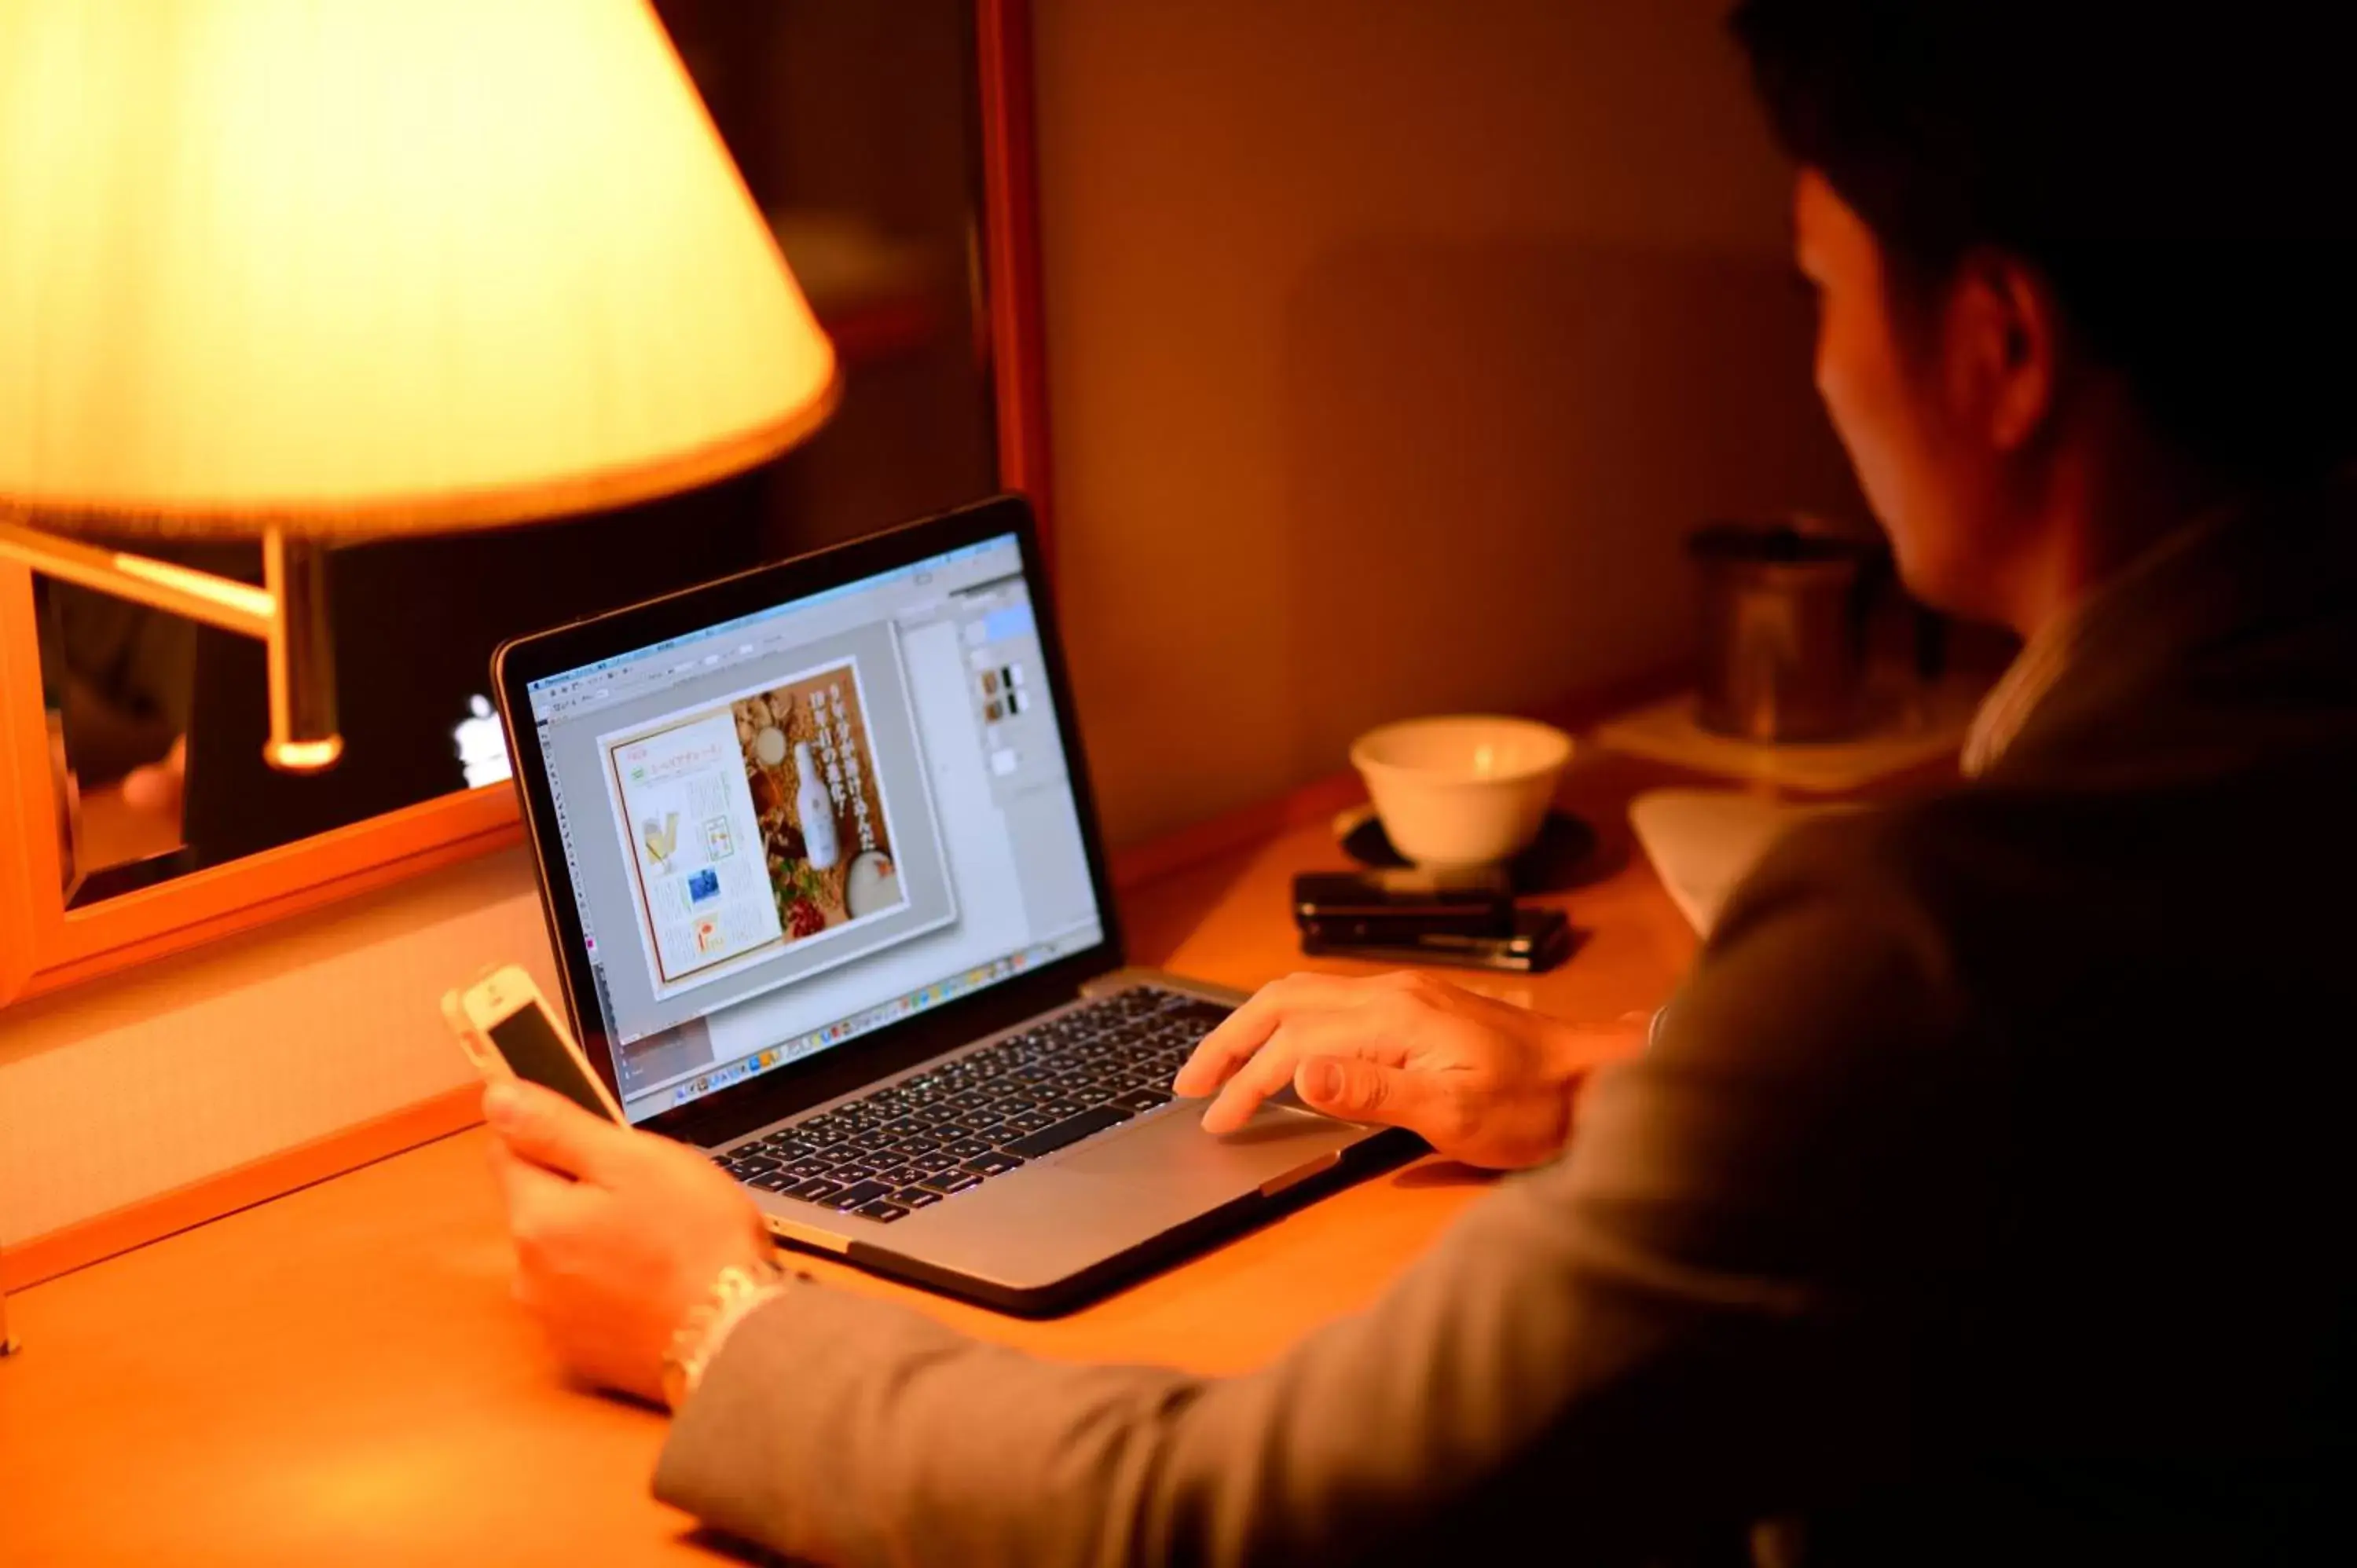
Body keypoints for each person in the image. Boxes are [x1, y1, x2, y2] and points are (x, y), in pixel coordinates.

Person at [484, 4, 2357, 1561]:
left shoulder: (1935, 950)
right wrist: (1590, 1066)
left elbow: (1241, 1515)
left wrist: (721, 1327)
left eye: (1823, 289)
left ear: (2002, 345)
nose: (1824, 366)